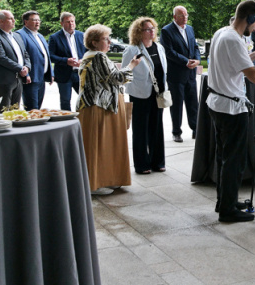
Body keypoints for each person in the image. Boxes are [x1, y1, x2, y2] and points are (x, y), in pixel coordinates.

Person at [207, 0, 255, 222]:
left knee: (224, 157)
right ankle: (227, 211)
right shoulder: (234, 39)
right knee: (234, 161)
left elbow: (235, 63)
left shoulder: (223, 33)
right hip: (231, 109)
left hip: (218, 104)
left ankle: (225, 201)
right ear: (249, 18)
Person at [78, 24, 142, 193]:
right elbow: (117, 78)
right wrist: (132, 65)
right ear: (94, 42)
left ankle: (107, 179)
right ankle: (96, 183)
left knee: (103, 145)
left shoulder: (90, 55)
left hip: (98, 106)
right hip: (99, 106)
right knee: (99, 146)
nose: (110, 42)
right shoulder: (98, 56)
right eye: (105, 39)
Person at [123, 17, 168, 175]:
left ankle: (158, 162)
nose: (151, 31)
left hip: (158, 94)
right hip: (140, 94)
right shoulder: (132, 50)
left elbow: (163, 71)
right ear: (139, 32)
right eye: (147, 29)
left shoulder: (159, 47)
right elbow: (126, 72)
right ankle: (142, 164)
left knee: (157, 128)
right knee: (141, 130)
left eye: (153, 28)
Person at [160, 5, 201, 143]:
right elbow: (169, 52)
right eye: (181, 15)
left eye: (186, 15)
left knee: (193, 103)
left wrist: (197, 60)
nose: (185, 17)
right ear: (174, 17)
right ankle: (176, 132)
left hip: (191, 74)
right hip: (176, 75)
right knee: (177, 105)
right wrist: (186, 61)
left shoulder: (190, 29)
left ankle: (195, 129)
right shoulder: (166, 31)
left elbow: (195, 47)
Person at [0, 10, 30, 111]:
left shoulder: (17, 36)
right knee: (4, 111)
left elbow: (25, 54)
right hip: (4, 80)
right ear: (1, 21)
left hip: (18, 79)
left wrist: (27, 67)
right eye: (10, 18)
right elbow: (0, 58)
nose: (14, 21)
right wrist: (20, 68)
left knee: (15, 110)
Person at [49, 12, 85, 110]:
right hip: (64, 74)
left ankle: (84, 117)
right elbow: (51, 56)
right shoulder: (55, 37)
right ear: (62, 23)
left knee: (86, 98)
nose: (71, 24)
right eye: (68, 22)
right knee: (65, 100)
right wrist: (66, 61)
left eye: (72, 21)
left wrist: (83, 60)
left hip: (80, 73)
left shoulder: (82, 35)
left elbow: (89, 52)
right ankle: (67, 118)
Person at [17, 10, 52, 110]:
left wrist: (51, 73)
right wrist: (26, 74)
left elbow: (46, 55)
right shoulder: (20, 35)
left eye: (38, 20)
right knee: (32, 109)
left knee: (38, 109)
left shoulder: (39, 36)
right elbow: (21, 56)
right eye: (34, 20)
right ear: (26, 22)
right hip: (31, 78)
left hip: (41, 77)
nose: (37, 22)